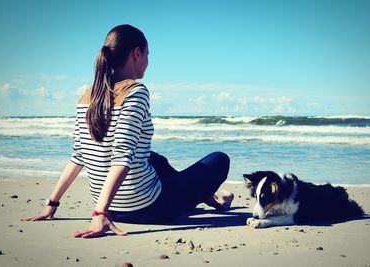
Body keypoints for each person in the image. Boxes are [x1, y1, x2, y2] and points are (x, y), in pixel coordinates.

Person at [21, 24, 233, 238]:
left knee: (155, 158)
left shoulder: (87, 95)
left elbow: (78, 156)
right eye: (147, 54)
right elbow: (122, 156)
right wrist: (100, 213)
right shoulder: (136, 92)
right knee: (219, 159)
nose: (148, 61)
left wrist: (52, 204)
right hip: (147, 209)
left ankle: (208, 197)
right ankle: (211, 197)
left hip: (113, 207)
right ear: (137, 53)